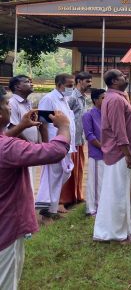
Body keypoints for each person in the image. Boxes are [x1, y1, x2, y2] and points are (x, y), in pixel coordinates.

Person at [0, 86, 70, 290]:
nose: (9, 108)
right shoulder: (7, 148)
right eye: (5, 104)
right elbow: (54, 151)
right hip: (6, 229)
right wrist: (64, 127)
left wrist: (20, 126)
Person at [93, 70, 131, 244]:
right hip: (120, 154)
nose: (126, 78)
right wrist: (127, 155)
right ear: (114, 81)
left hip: (120, 153)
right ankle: (116, 232)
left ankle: (124, 227)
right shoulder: (115, 100)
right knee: (119, 193)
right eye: (123, 76)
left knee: (122, 191)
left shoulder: (118, 97)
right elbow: (119, 130)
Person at [35, 74, 76, 219]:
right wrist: (46, 146)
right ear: (59, 85)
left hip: (65, 145)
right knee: (53, 177)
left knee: (64, 174)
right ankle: (47, 212)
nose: (72, 88)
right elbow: (43, 124)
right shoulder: (49, 99)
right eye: (70, 85)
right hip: (54, 144)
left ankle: (51, 208)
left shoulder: (65, 99)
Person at [60, 71, 92, 208]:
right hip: (71, 139)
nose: (90, 84)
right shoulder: (72, 97)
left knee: (79, 168)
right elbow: (65, 116)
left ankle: (77, 196)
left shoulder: (84, 97)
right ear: (79, 81)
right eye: (87, 81)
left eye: (90, 81)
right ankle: (65, 199)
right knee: (70, 169)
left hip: (80, 139)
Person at [7, 75, 40, 192]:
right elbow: (13, 127)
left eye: (31, 81)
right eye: (27, 82)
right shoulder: (12, 103)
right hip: (21, 149)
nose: (31, 84)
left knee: (30, 183)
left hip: (29, 149)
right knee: (24, 185)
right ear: (17, 87)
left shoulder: (28, 103)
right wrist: (28, 144)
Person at [82, 88, 106, 216]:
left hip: (109, 154)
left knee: (105, 182)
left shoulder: (107, 114)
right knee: (96, 182)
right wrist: (103, 147)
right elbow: (90, 136)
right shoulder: (88, 115)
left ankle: (103, 206)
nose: (106, 100)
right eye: (103, 98)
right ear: (95, 100)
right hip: (97, 154)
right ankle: (93, 209)